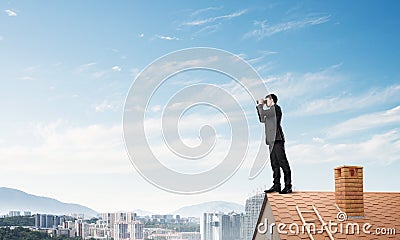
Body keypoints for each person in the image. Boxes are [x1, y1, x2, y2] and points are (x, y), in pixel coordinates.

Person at [256, 93, 292, 194]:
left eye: (267, 101)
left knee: (282, 163)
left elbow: (263, 113)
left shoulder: (276, 109)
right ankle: (276, 186)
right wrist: (260, 107)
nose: (266, 103)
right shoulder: (269, 112)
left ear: (272, 100)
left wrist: (260, 105)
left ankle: (288, 186)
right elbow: (261, 118)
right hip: (271, 141)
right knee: (274, 164)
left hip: (277, 139)